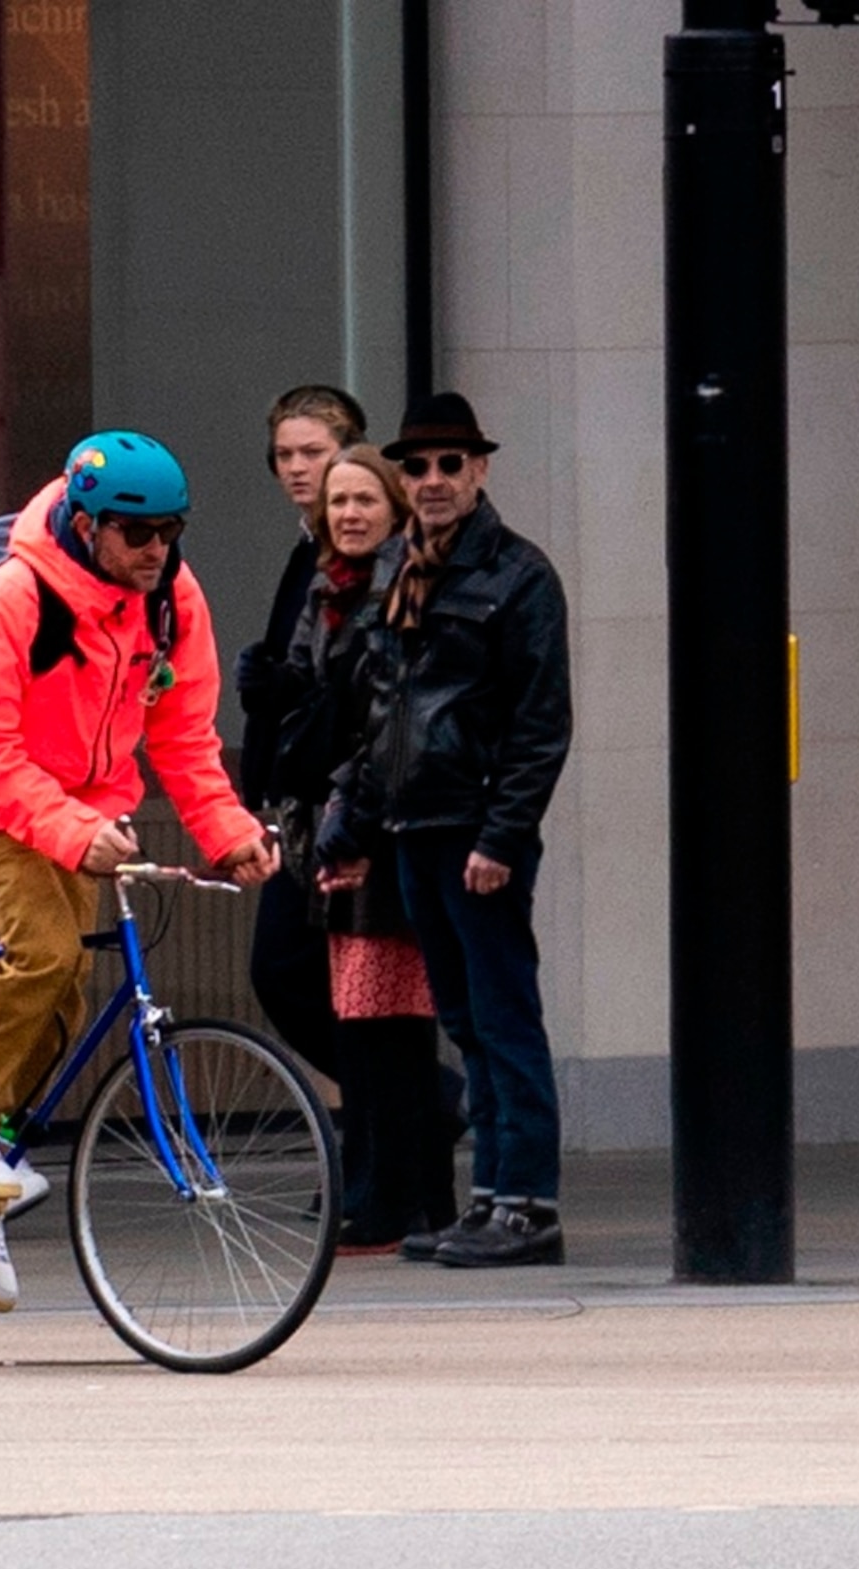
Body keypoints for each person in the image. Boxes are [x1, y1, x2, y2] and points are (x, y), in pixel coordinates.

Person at [0, 431, 278, 1309]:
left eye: (172, 531)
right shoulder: (13, 597)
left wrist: (229, 831)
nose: (157, 550)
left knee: (67, 994)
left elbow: (183, 735)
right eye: (136, 532)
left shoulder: (172, 600)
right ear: (86, 522)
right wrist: (73, 828)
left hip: (78, 804)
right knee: (45, 952)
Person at [318, 392, 572, 1269]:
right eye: (418, 466)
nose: (432, 479)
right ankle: (494, 1198)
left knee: (502, 1016)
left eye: (449, 464)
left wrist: (501, 839)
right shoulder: (402, 571)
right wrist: (352, 820)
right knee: (465, 1020)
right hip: (414, 826)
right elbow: (380, 712)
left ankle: (526, 1202)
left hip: (473, 830)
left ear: (480, 470)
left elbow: (541, 724)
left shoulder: (518, 575)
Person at [295, 444, 459, 1249]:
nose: (349, 514)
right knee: (367, 1022)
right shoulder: (328, 590)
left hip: (381, 827)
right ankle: (406, 1195)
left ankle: (404, 1198)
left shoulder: (403, 589)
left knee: (389, 1024)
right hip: (347, 818)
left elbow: (386, 719)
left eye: (365, 499)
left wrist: (349, 824)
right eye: (338, 502)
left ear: (395, 508)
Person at [235, 385, 366, 1084]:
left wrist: (284, 690)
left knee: (307, 974)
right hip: (301, 800)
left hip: (339, 800)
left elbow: (342, 679)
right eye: (283, 454)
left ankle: (418, 1111)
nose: (295, 467)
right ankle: (401, 1122)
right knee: (305, 977)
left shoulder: (352, 553)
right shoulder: (305, 551)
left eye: (311, 452)